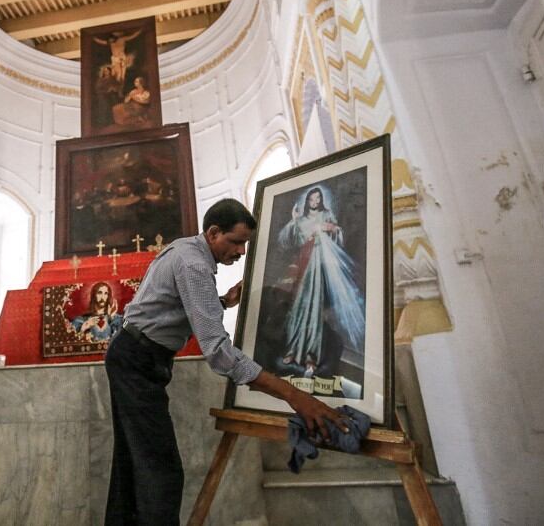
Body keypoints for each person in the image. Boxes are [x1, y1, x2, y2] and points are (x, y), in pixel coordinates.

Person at [104, 198, 348, 525]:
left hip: (134, 356)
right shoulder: (194, 264)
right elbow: (218, 353)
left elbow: (173, 309)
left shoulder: (187, 250)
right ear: (214, 233)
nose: (242, 251)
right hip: (137, 360)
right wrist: (294, 395)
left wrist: (222, 301)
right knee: (161, 469)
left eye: (245, 243)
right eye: (236, 242)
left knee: (133, 463)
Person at [277, 186, 366, 378]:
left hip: (319, 269)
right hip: (304, 266)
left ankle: (311, 357)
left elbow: (337, 237)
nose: (315, 202)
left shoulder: (327, 216)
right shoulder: (301, 220)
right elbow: (292, 239)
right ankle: (293, 351)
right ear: (307, 201)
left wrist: (330, 229)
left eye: (318, 199)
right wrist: (295, 221)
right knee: (297, 309)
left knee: (315, 312)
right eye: (312, 199)